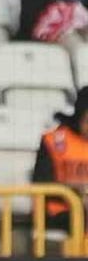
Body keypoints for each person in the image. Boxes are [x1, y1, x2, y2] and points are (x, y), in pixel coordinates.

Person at [32, 87, 88, 233]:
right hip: (61, 211)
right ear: (80, 115)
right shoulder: (53, 141)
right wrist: (76, 192)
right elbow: (41, 182)